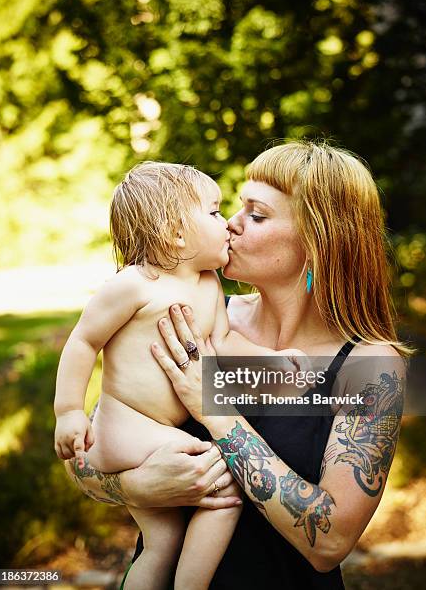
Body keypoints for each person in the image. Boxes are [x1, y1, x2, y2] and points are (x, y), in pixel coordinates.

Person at [67, 140, 407, 589]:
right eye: (236, 207)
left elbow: (329, 542)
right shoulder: (196, 312)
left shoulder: (369, 366)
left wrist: (216, 411)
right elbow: (87, 452)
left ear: (318, 241)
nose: (231, 223)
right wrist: (138, 488)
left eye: (257, 214)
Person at [54, 161, 306, 590]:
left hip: (156, 431)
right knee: (225, 489)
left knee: (161, 543)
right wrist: (69, 411)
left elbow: (223, 344)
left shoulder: (209, 284)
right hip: (127, 425)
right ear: (175, 232)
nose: (226, 222)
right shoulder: (135, 285)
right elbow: (82, 342)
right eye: (213, 212)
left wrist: (271, 359)